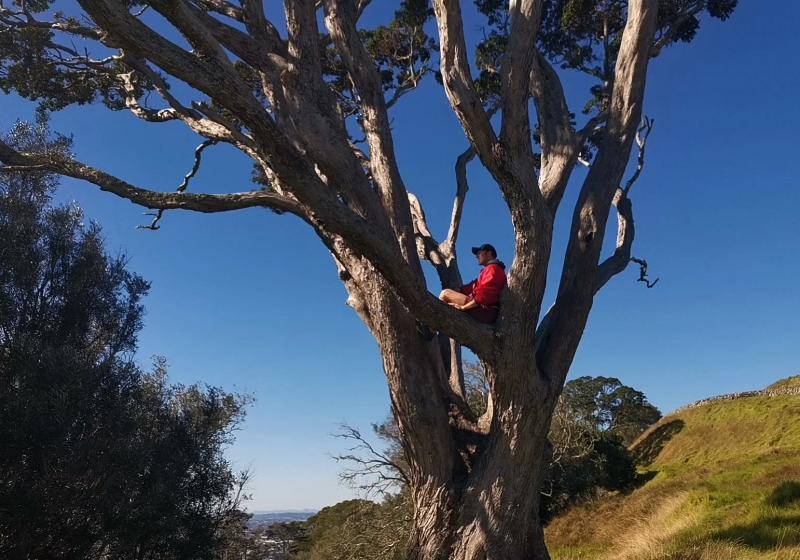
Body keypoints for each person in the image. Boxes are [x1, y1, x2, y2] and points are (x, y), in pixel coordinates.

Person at [439, 243, 507, 324]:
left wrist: (464, 307)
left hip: (485, 311)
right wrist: (458, 291)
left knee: (445, 293)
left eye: (479, 253)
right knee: (448, 302)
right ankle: (434, 328)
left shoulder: (493, 269)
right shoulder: (490, 270)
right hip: (482, 309)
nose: (476, 256)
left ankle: (431, 328)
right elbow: (470, 287)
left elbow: (484, 295)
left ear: (489, 253)